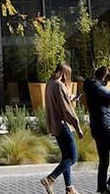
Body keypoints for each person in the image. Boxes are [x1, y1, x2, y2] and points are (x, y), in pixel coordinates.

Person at [40, 62, 83, 194]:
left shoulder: (50, 84)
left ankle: (69, 188)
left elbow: (58, 101)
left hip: (55, 126)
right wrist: (77, 127)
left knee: (66, 157)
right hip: (63, 125)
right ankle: (50, 179)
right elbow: (67, 110)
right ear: (65, 74)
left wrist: (70, 97)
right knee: (73, 158)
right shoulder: (60, 85)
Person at [83, 65, 110, 194]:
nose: (108, 81)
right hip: (105, 128)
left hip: (96, 128)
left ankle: (102, 189)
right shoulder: (98, 88)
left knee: (104, 161)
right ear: (104, 77)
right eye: (108, 78)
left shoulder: (90, 87)